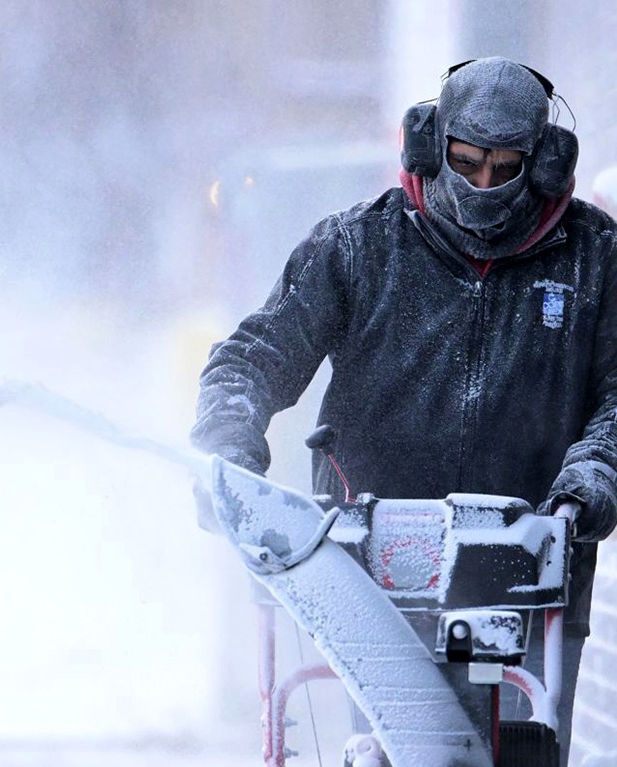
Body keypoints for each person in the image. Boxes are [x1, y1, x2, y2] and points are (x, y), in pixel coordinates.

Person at [190, 57, 617, 767]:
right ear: (429, 144)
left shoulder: (593, 260)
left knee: (520, 748)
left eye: (505, 167)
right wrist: (229, 448)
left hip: (531, 558)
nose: (483, 183)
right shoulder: (359, 247)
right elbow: (251, 358)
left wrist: (592, 474)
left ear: (545, 163)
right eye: (467, 160)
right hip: (375, 560)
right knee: (399, 745)